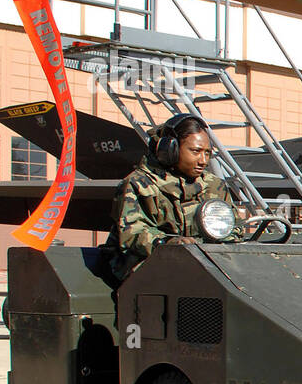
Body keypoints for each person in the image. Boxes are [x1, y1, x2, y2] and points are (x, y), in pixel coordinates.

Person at [101, 113, 242, 283]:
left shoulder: (214, 186)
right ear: (171, 150)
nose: (203, 161)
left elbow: (233, 228)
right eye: (195, 151)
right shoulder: (140, 184)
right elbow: (132, 234)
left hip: (200, 264)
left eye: (207, 153)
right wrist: (168, 243)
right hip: (144, 266)